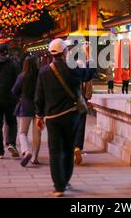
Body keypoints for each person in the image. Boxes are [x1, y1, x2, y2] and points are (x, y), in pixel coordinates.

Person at [35, 38, 96, 197]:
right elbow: (89, 74)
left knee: (55, 151)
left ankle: (58, 186)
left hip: (53, 117)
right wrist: (90, 56)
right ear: (65, 52)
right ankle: (66, 180)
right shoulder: (72, 67)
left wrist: (39, 115)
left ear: (51, 53)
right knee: (68, 149)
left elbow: (39, 96)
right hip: (71, 115)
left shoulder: (43, 71)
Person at [11, 56, 42, 167]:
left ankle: (26, 151)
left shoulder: (22, 76)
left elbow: (14, 91)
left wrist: (20, 96)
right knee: (37, 133)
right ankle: (35, 158)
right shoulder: (41, 76)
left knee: (23, 132)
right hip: (39, 106)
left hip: (25, 105)